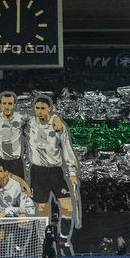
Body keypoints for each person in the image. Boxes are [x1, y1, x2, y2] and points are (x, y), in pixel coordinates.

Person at [24, 95, 81, 244]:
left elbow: (67, 149)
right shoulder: (30, 123)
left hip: (55, 171)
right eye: (37, 108)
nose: (40, 111)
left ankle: (63, 238)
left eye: (43, 108)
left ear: (49, 108)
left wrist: (73, 172)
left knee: (67, 206)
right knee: (42, 208)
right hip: (37, 172)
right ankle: (43, 239)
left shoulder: (58, 127)